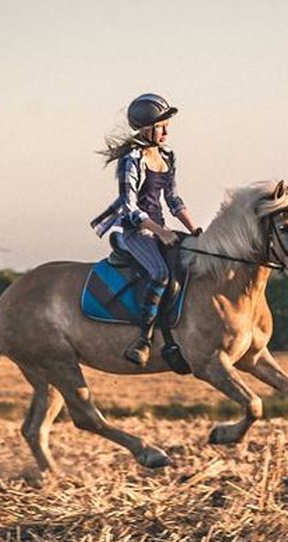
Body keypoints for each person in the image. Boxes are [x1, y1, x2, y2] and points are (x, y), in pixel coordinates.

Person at [91, 93, 199, 366]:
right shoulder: (131, 158)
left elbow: (173, 200)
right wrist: (160, 232)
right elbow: (129, 207)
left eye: (167, 125)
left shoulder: (167, 156)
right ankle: (143, 338)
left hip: (160, 226)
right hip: (135, 231)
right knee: (160, 273)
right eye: (161, 126)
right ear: (146, 128)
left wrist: (195, 229)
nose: (166, 131)